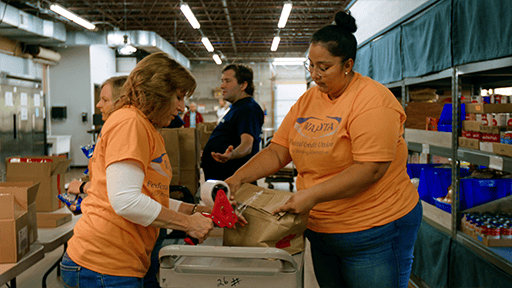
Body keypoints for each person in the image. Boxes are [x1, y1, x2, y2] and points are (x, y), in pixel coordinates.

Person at [224, 11, 422, 288]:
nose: (315, 75)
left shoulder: (373, 101)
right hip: (321, 228)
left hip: (375, 229)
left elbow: (372, 168)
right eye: (311, 66)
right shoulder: (308, 100)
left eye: (324, 67)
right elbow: (278, 150)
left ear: (348, 64)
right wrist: (237, 178)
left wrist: (310, 195)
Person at [60, 52, 214, 288]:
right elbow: (126, 201)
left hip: (123, 259)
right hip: (104, 264)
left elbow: (147, 194)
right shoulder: (130, 123)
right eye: (178, 97)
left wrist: (193, 210)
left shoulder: (146, 126)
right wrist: (188, 223)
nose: (183, 107)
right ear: (159, 92)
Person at [201, 64, 264, 181]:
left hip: (233, 182)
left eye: (227, 81)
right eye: (222, 81)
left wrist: (231, 155)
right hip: (221, 180)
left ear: (243, 85)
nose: (222, 86)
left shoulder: (248, 108)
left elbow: (247, 145)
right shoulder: (236, 108)